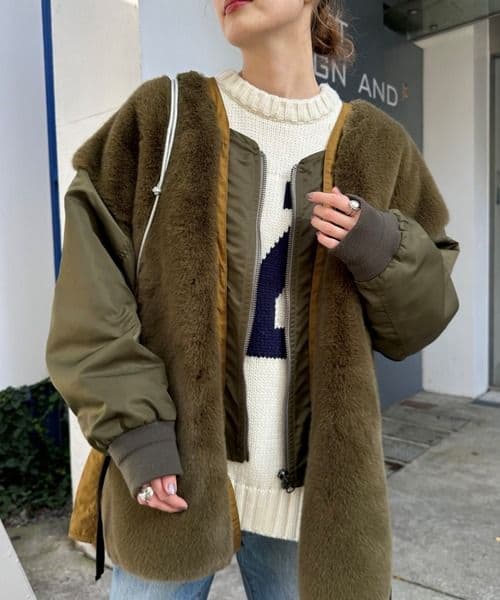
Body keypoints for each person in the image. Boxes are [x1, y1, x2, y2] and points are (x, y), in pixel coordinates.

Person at [45, 1, 460, 599]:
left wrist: (382, 247)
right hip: (170, 477)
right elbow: (90, 296)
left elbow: (423, 316)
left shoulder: (380, 145)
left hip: (311, 505)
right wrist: (136, 434)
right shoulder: (163, 117)